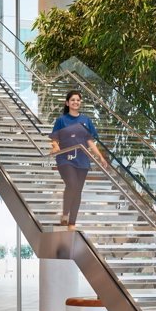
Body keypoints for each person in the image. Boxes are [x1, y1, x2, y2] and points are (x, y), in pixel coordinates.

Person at [50, 91, 108, 230]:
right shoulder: (61, 120)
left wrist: (100, 157)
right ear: (67, 103)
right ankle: (65, 214)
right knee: (72, 184)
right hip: (65, 159)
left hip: (82, 159)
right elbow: (54, 139)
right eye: (73, 100)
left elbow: (89, 141)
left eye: (78, 100)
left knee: (78, 190)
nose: (76, 102)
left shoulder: (86, 120)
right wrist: (56, 146)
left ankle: (72, 223)